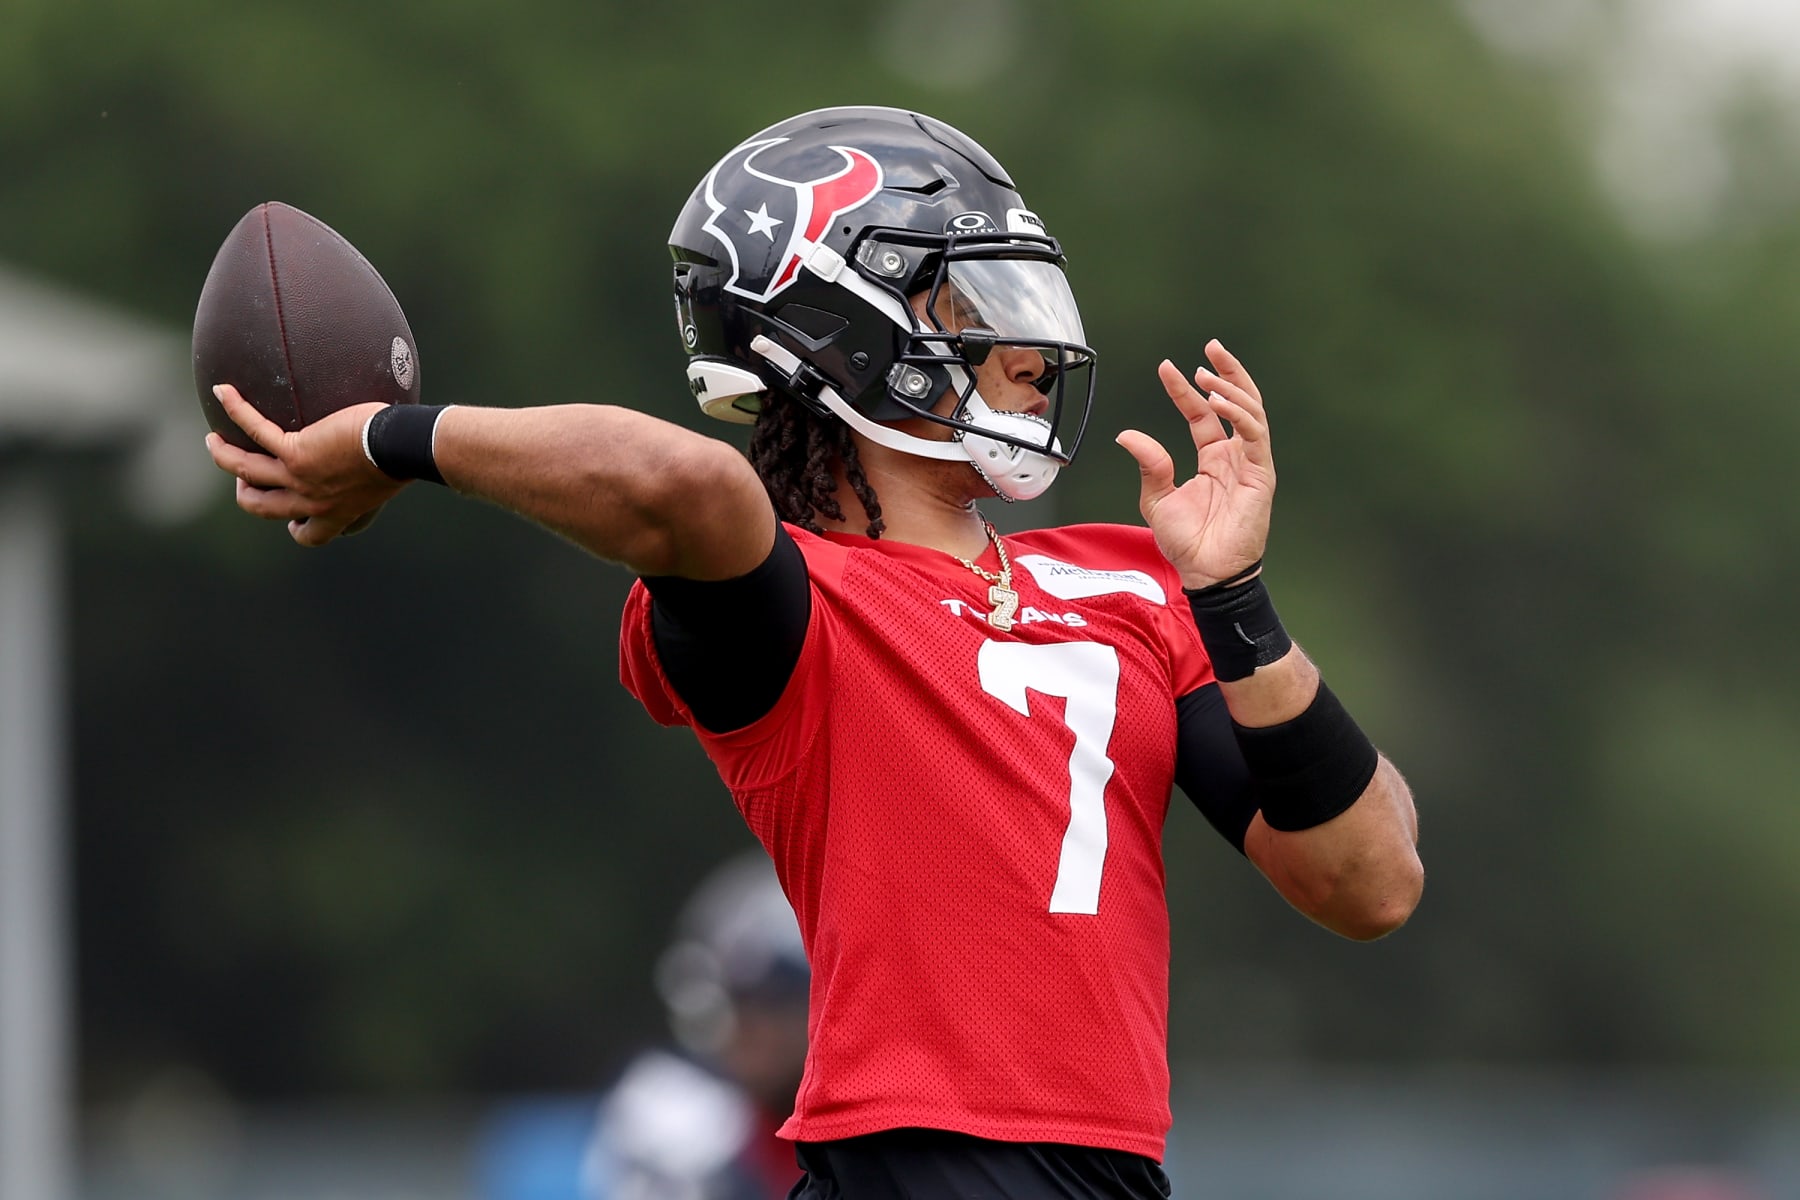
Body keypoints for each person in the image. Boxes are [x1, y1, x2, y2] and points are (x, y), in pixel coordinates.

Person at [205, 105, 1423, 1199]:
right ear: (838, 327)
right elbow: (679, 482)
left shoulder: (1128, 579)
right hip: (908, 1165)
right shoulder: (794, 601)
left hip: (1113, 1168)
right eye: (970, 306)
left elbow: (1369, 883)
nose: (1023, 350)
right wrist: (386, 437)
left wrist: (1235, 599)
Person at [581, 852, 809, 1200]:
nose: (752, 1024)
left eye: (775, 1000)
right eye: (740, 1001)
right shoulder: (674, 1114)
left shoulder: (873, 1113)